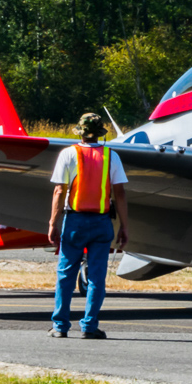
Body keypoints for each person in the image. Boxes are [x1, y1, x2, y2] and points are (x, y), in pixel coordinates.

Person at [48, 113, 130, 339]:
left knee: (65, 275)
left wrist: (53, 223)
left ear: (80, 132)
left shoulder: (68, 154)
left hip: (74, 221)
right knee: (96, 277)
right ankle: (89, 326)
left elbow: (59, 191)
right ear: (100, 133)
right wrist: (124, 225)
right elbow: (120, 194)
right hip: (102, 222)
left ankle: (60, 326)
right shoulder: (112, 156)